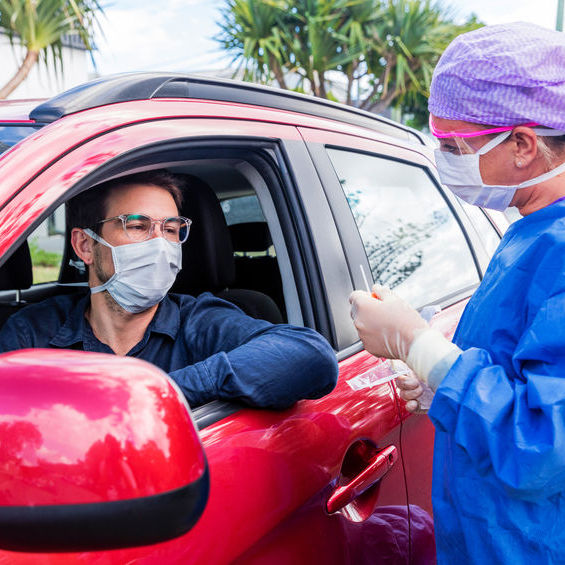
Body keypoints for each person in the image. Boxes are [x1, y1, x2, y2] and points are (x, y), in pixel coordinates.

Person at [349, 22, 565, 564]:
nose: (444, 159)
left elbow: (541, 445)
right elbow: (522, 371)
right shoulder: (531, 230)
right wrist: (440, 381)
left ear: (522, 144)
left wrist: (418, 344)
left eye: (455, 146)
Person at [0, 170, 338, 409]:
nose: (160, 245)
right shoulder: (32, 333)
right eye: (137, 225)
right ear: (85, 245)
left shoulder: (199, 320)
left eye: (172, 229)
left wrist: (164, 391)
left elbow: (312, 355)